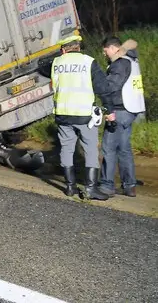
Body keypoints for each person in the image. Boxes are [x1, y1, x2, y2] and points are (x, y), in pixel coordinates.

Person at [50, 35, 110, 200]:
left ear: (63, 49)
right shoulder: (88, 62)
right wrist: (109, 108)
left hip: (62, 114)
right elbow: (102, 87)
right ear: (78, 46)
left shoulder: (56, 63)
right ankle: (90, 189)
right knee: (90, 149)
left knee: (66, 148)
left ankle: (70, 187)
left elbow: (54, 87)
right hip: (84, 115)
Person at [98, 37, 146, 197]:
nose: (105, 54)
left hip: (119, 110)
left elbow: (111, 87)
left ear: (112, 48)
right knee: (124, 148)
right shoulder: (132, 60)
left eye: (105, 51)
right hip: (131, 110)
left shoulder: (119, 64)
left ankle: (106, 186)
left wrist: (98, 85)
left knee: (108, 148)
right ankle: (129, 185)